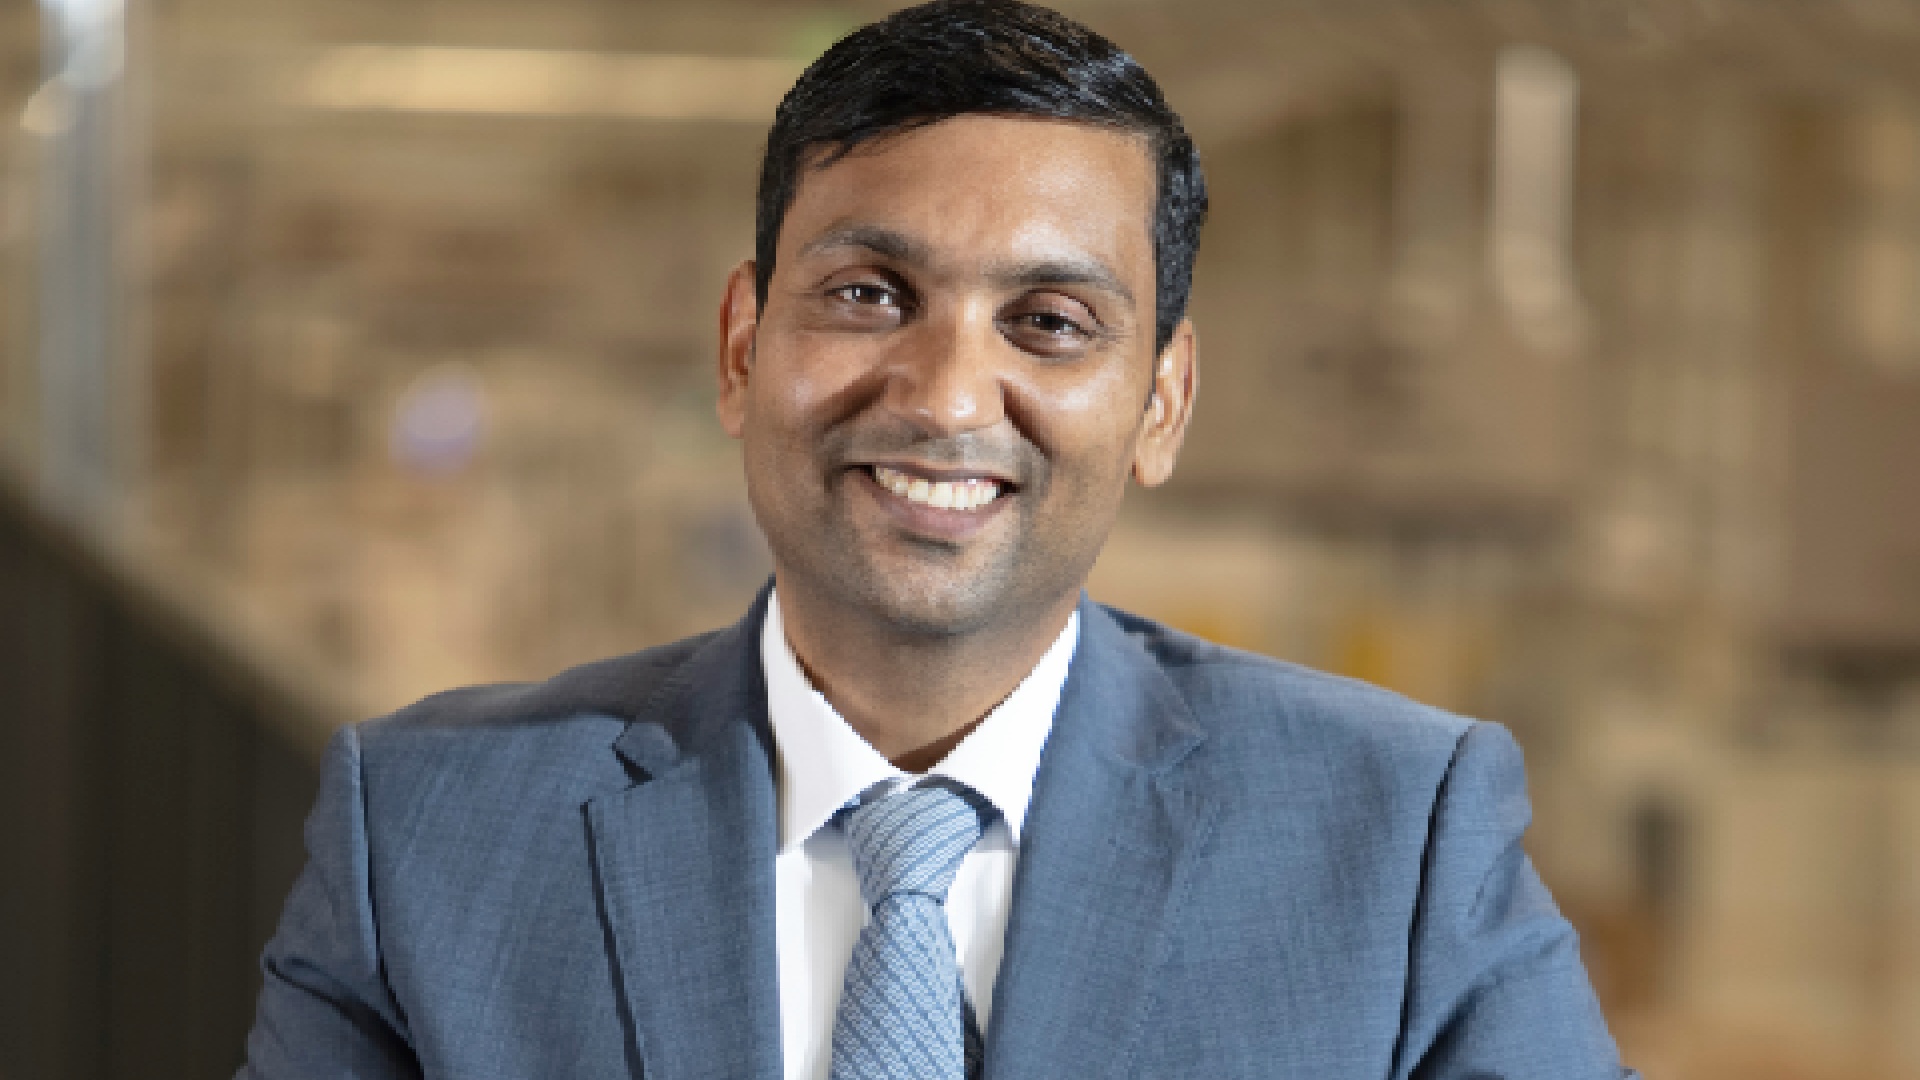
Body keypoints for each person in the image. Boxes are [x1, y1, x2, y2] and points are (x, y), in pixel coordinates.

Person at [239, 2, 1637, 1077]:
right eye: (868, 293)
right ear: (741, 347)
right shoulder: (426, 836)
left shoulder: (1399, 845)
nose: (948, 397)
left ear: (1161, 405)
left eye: (1051, 323)